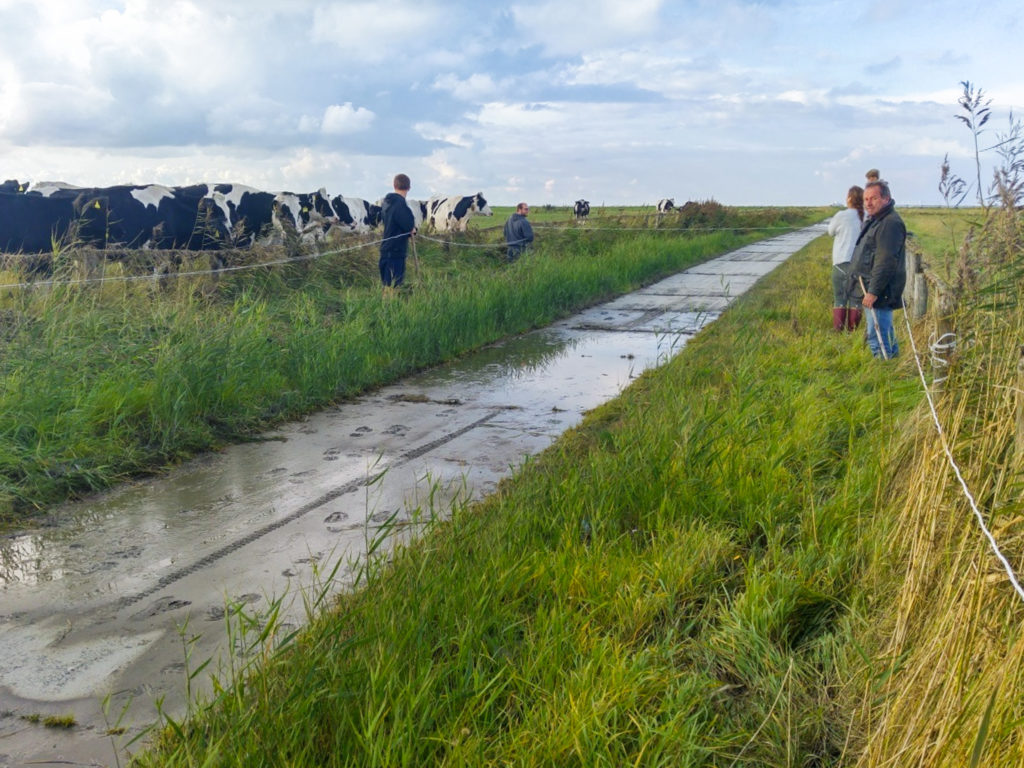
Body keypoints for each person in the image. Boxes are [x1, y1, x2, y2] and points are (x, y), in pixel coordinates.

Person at [848, 180, 906, 359]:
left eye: (873, 198)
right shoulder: (878, 220)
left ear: (886, 198)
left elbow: (885, 261)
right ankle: (893, 367)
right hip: (873, 287)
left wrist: (873, 291)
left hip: (880, 291)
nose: (868, 203)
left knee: (877, 336)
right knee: (884, 333)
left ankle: (884, 375)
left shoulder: (889, 223)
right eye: (866, 199)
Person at [826, 186, 864, 331]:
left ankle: (838, 330)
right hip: (860, 264)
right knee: (856, 300)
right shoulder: (866, 216)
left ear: (849, 199)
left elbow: (830, 232)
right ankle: (852, 331)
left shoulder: (841, 215)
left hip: (841, 262)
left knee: (840, 298)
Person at [379, 173, 416, 290]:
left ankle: (386, 307)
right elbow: (409, 225)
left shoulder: (386, 202)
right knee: (394, 287)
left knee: (386, 287)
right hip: (396, 251)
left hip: (385, 248)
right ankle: (392, 307)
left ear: (394, 185)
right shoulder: (400, 204)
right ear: (409, 188)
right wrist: (413, 229)